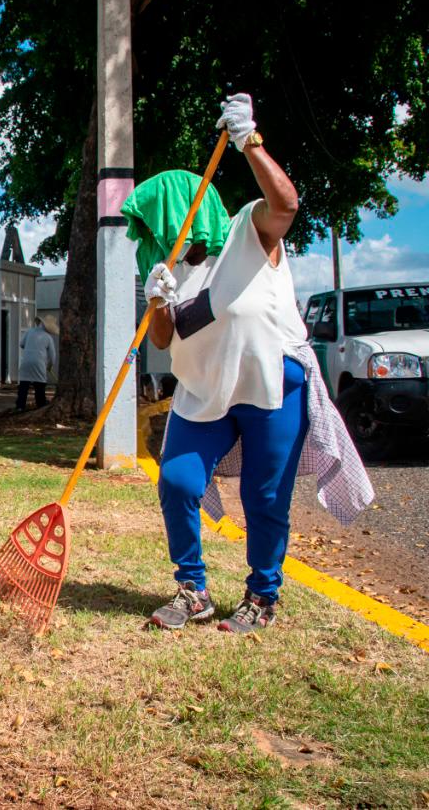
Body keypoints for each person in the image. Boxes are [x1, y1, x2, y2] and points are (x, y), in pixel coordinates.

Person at [133, 93, 372, 634]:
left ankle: (262, 595)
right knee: (177, 480)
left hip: (270, 384)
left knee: (264, 494)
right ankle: (193, 589)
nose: (150, 236)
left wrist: (250, 143)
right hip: (203, 393)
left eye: (154, 223)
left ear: (177, 211)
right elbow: (167, 341)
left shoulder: (247, 229)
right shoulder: (166, 269)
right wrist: (154, 302)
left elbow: (285, 206)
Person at [16, 317, 56, 410]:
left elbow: (21, 344)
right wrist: (49, 366)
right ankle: (41, 404)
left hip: (26, 361)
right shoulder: (48, 337)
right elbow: (53, 356)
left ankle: (20, 406)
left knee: (23, 385)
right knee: (40, 385)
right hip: (39, 363)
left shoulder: (29, 331)